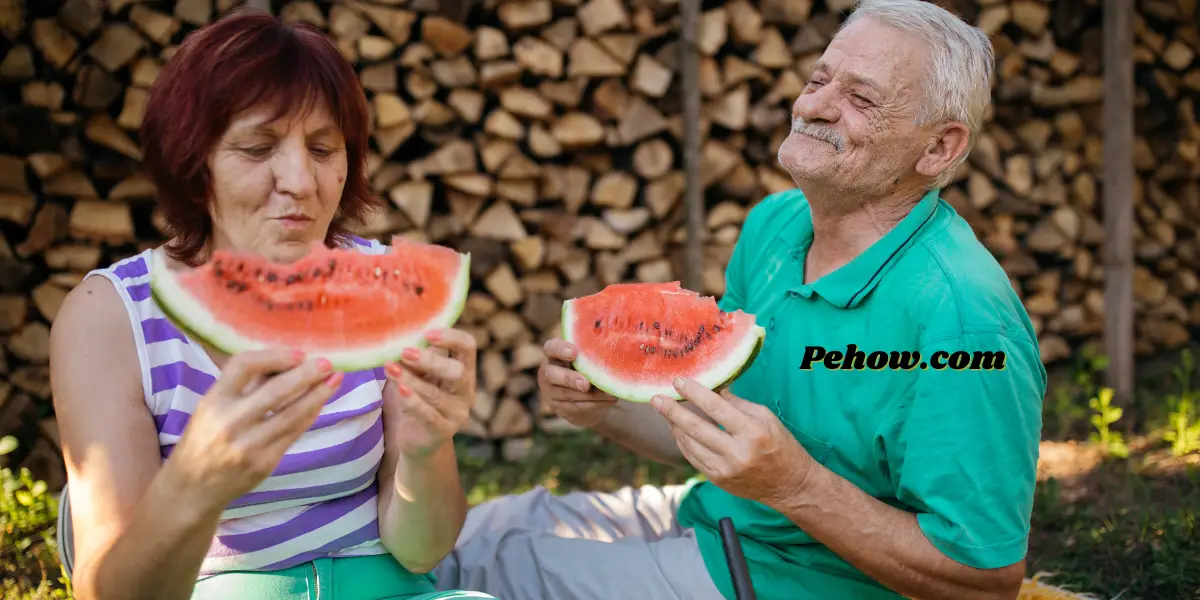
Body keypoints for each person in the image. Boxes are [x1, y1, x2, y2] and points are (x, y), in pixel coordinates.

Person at [431, 0, 1046, 599]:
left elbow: (983, 583)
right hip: (721, 519)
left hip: (791, 579)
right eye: (818, 78)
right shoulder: (775, 227)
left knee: (481, 566)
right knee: (473, 526)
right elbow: (718, 433)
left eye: (861, 99)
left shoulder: (964, 323)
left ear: (938, 148)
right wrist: (601, 407)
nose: (813, 106)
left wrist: (796, 485)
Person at [49, 10, 494, 600]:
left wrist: (426, 449)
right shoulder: (109, 317)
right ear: (193, 162)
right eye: (258, 148)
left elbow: (422, 548)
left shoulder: (384, 287)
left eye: (323, 148)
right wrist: (194, 485)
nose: (301, 181)